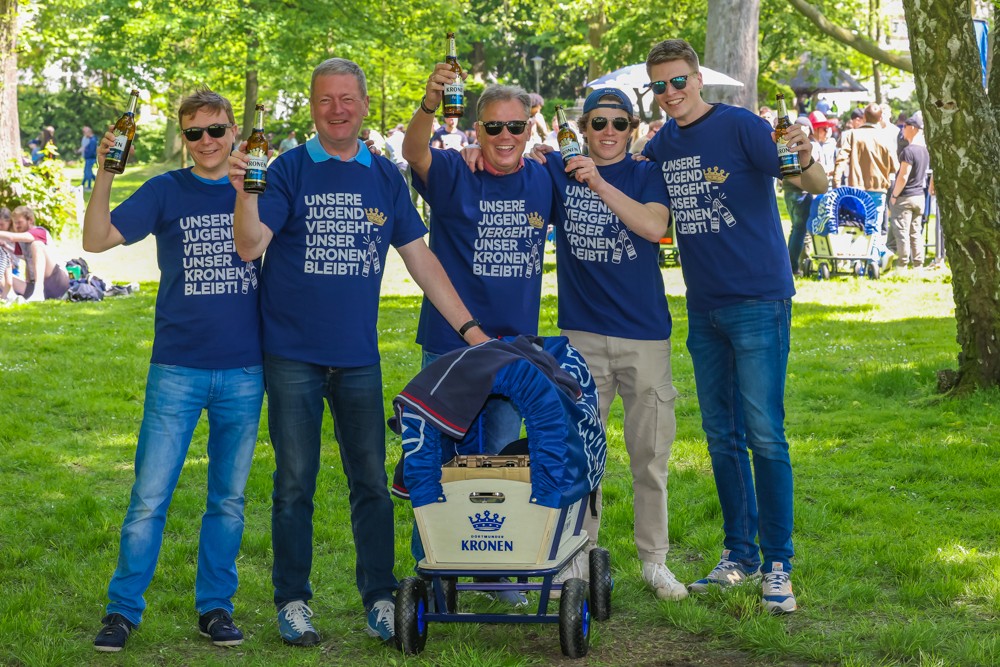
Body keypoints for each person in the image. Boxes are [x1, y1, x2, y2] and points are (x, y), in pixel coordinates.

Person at [228, 57, 488, 648]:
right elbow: (249, 247)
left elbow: (420, 259)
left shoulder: (384, 175)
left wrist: (470, 329)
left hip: (357, 359)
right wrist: (248, 193)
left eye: (347, 98)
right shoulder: (288, 168)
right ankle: (292, 600)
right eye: (325, 100)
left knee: (370, 479)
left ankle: (378, 596)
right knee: (295, 479)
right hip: (292, 354)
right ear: (311, 105)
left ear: (365, 104)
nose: (337, 109)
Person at [641, 38, 826, 614]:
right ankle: (739, 555)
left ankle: (778, 565)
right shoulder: (661, 145)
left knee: (765, 433)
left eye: (679, 81)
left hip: (759, 301)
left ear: (698, 79)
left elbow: (810, 184)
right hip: (704, 307)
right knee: (722, 436)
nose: (671, 93)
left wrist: (807, 151)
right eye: (661, 85)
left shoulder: (743, 126)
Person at [83, 89, 264, 653]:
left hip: (244, 368)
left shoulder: (261, 186)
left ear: (235, 131)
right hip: (178, 368)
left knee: (228, 501)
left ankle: (215, 607)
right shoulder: (166, 189)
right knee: (149, 496)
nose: (206, 142)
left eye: (216, 130)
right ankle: (122, 610)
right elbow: (95, 240)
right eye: (194, 134)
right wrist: (105, 171)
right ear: (183, 139)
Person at [527, 88, 686, 601]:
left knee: (650, 457)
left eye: (619, 123)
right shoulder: (558, 169)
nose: (609, 132)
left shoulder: (645, 173)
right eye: (598, 123)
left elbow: (654, 226)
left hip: (644, 337)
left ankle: (654, 562)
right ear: (583, 127)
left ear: (633, 129)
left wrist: (595, 182)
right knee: (579, 455)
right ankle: (574, 559)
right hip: (581, 337)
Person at [403, 65, 554, 456]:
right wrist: (429, 104)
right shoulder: (456, 170)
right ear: (478, 128)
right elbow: (413, 152)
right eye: (493, 128)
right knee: (440, 464)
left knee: (501, 464)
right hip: (449, 343)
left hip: (513, 348)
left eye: (515, 127)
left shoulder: (544, 176)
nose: (505, 136)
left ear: (529, 129)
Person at [834, 103, 899, 237]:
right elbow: (895, 166)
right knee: (874, 228)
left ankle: (857, 257)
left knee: (856, 227)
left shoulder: (852, 135)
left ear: (864, 116)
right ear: (880, 118)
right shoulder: (885, 137)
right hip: (878, 188)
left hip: (856, 188)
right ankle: (873, 258)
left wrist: (836, 182)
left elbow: (841, 159)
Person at [0, 206, 70, 301]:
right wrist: (28, 281)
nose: (16, 226)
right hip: (36, 285)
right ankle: (9, 295)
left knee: (36, 245)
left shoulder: (39, 231)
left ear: (30, 220)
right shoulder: (21, 241)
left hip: (56, 281)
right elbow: (27, 260)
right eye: (15, 222)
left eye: (19, 222)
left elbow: (12, 237)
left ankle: (38, 291)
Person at [888, 112, 931, 269]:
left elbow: (903, 176)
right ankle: (918, 264)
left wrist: (894, 195)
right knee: (915, 233)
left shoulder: (908, 151)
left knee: (902, 233)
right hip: (919, 195)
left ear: (912, 128)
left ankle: (902, 264)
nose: (902, 130)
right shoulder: (925, 151)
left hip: (905, 197)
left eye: (904, 127)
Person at [783, 117, 820, 276]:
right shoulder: (803, 145)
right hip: (800, 191)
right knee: (800, 229)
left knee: (796, 229)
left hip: (790, 190)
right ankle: (792, 266)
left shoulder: (786, 142)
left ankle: (792, 264)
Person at [77, 126, 98, 190]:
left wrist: (85, 150)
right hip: (89, 158)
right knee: (88, 172)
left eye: (85, 133)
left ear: (89, 132)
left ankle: (88, 186)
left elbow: (91, 151)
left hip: (90, 159)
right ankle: (84, 185)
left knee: (87, 172)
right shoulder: (91, 139)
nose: (84, 134)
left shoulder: (92, 140)